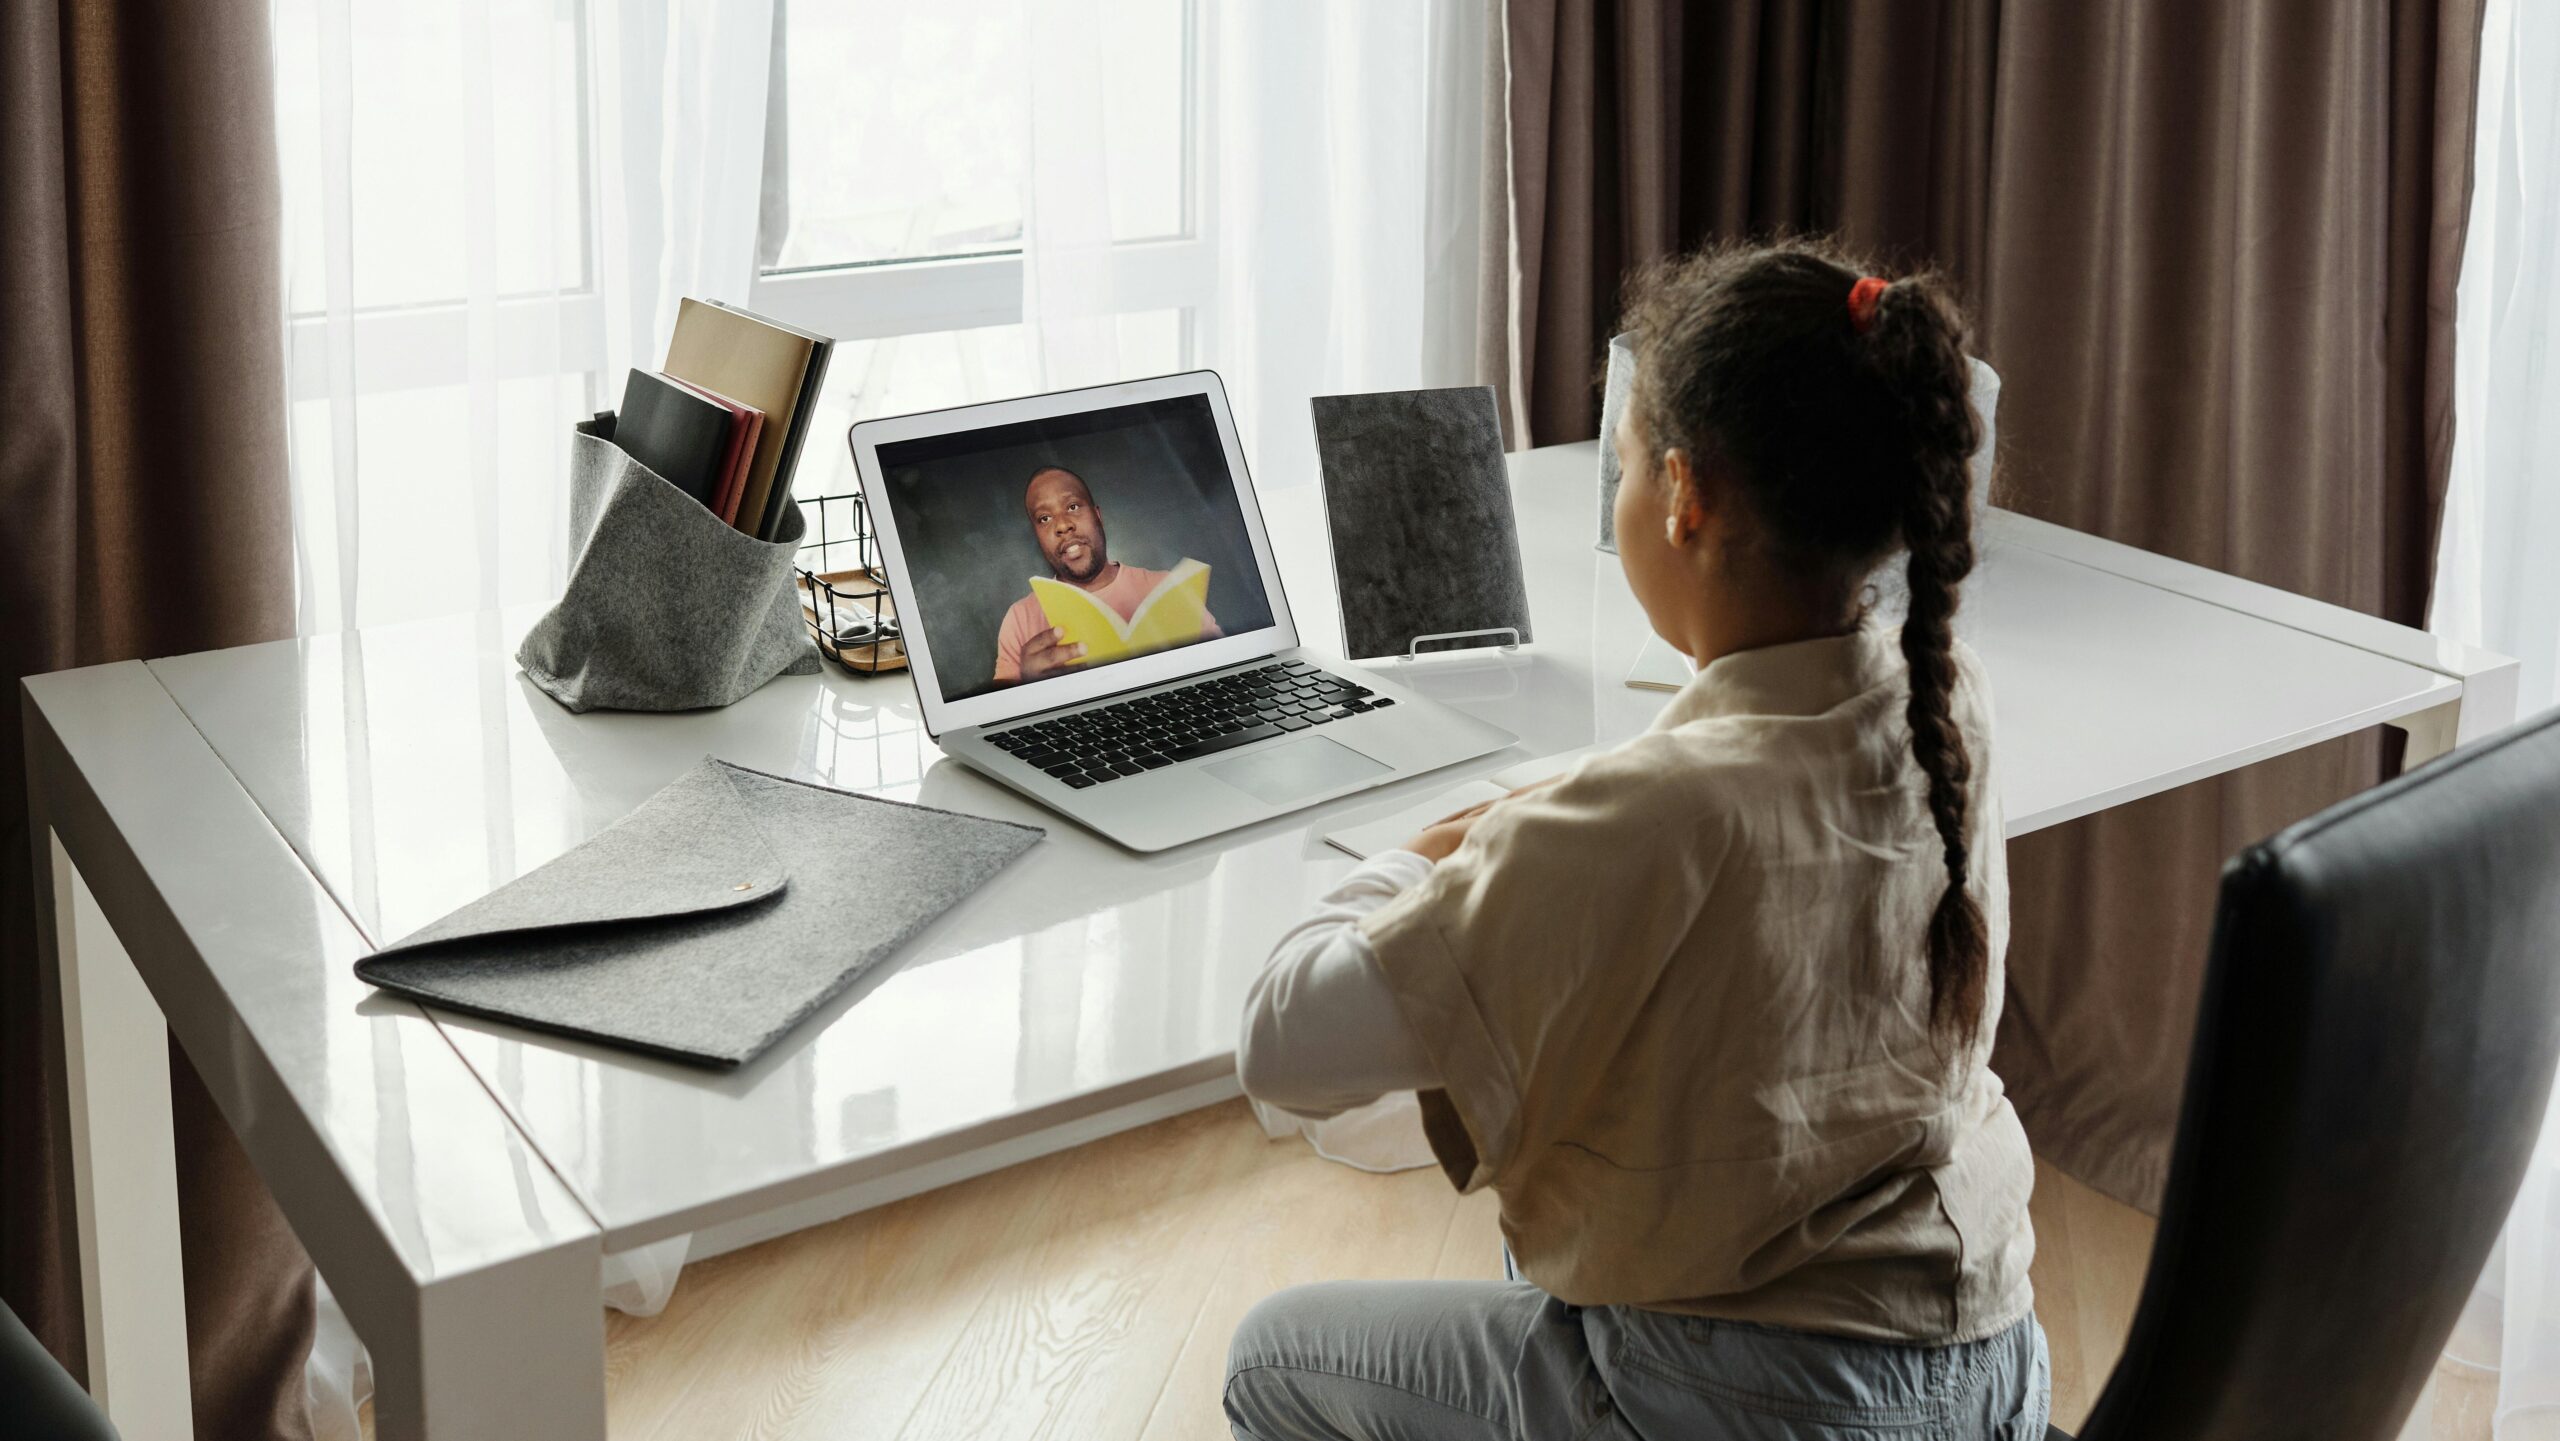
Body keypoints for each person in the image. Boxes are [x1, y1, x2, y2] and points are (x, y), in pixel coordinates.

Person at [1225, 240, 2046, 1440]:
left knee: (1266, 1361)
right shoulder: (1944, 702)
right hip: (1985, 1363)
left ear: (1683, 495)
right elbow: (1725, 806)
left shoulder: (1641, 825)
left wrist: (1421, 847)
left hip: (1755, 1405)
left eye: (1618, 469)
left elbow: (1282, 1041)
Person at [992, 464, 1221, 684]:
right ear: (1037, 536)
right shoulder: (1019, 618)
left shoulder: (1168, 588)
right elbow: (998, 714)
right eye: (1045, 518)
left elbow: (1223, 669)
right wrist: (1027, 690)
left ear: (1097, 516)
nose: (1062, 526)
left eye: (1072, 506)